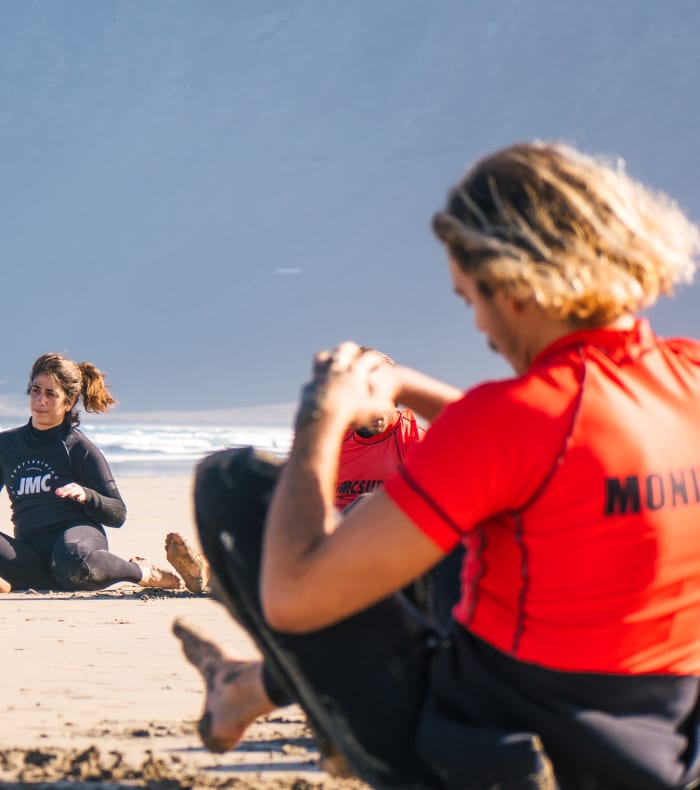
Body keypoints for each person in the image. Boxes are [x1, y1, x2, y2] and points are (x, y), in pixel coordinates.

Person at [174, 141, 700, 789]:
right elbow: (554, 448)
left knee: (233, 487)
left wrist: (321, 415)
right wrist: (401, 386)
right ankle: (246, 688)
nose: (477, 324)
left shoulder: (513, 418)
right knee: (449, 532)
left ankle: (268, 697)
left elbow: (291, 598)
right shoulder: (685, 375)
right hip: (662, 741)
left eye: (468, 297)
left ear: (513, 289)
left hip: (513, 756)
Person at [0, 353, 182, 593]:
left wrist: (87, 494)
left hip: (76, 543)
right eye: (36, 390)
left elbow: (118, 513)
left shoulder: (77, 448)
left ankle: (142, 572)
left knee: (73, 564)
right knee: (60, 575)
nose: (40, 400)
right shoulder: (7, 445)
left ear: (69, 402)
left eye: (51, 394)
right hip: (30, 556)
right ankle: (16, 579)